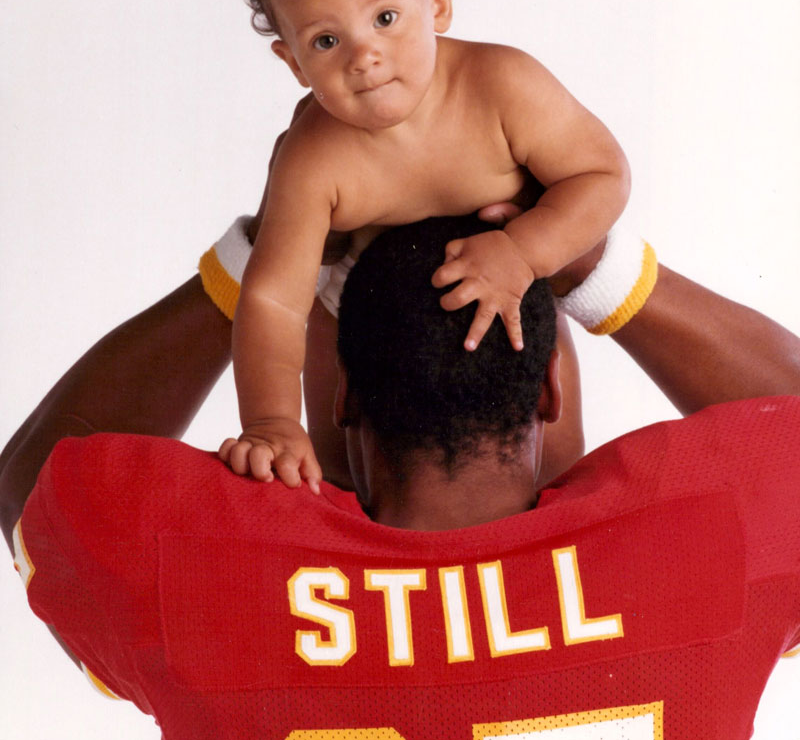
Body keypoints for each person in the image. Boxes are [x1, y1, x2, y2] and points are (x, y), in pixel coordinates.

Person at [2, 209, 800, 739]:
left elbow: (31, 487)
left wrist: (267, 260)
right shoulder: (702, 542)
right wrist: (599, 265)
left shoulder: (205, 573)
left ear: (345, 397)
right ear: (550, 388)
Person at [224, 0, 631, 490]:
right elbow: (277, 298)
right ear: (294, 62)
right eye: (326, 42)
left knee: (556, 470)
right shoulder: (313, 156)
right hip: (356, 316)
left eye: (386, 18)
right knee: (334, 476)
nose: (366, 55)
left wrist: (524, 251)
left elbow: (602, 174)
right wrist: (272, 420)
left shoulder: (502, 87)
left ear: (437, 2)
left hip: (509, 300)